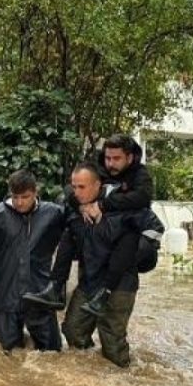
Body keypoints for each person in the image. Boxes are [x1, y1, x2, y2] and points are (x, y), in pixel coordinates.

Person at [23, 134, 154, 315]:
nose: (110, 163)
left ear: (129, 157)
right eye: (108, 158)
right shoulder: (100, 167)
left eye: (116, 159)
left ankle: (105, 292)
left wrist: (102, 205)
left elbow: (143, 197)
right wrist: (82, 206)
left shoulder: (140, 174)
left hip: (129, 239)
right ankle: (55, 287)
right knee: (72, 224)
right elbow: (72, 188)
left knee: (128, 235)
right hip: (97, 236)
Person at [59, 163, 164, 368]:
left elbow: (156, 228)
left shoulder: (122, 204)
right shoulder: (75, 205)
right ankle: (87, 374)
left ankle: (122, 383)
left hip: (121, 285)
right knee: (72, 330)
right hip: (89, 282)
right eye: (75, 187)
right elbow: (64, 196)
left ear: (98, 185)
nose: (77, 192)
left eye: (82, 187)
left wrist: (127, 258)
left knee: (112, 342)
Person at [0, 169, 64, 353]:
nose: (19, 202)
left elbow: (77, 226)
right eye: (15, 197)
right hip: (6, 296)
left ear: (35, 192)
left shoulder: (53, 213)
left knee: (52, 354)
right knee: (6, 354)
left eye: (25, 197)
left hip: (40, 295)